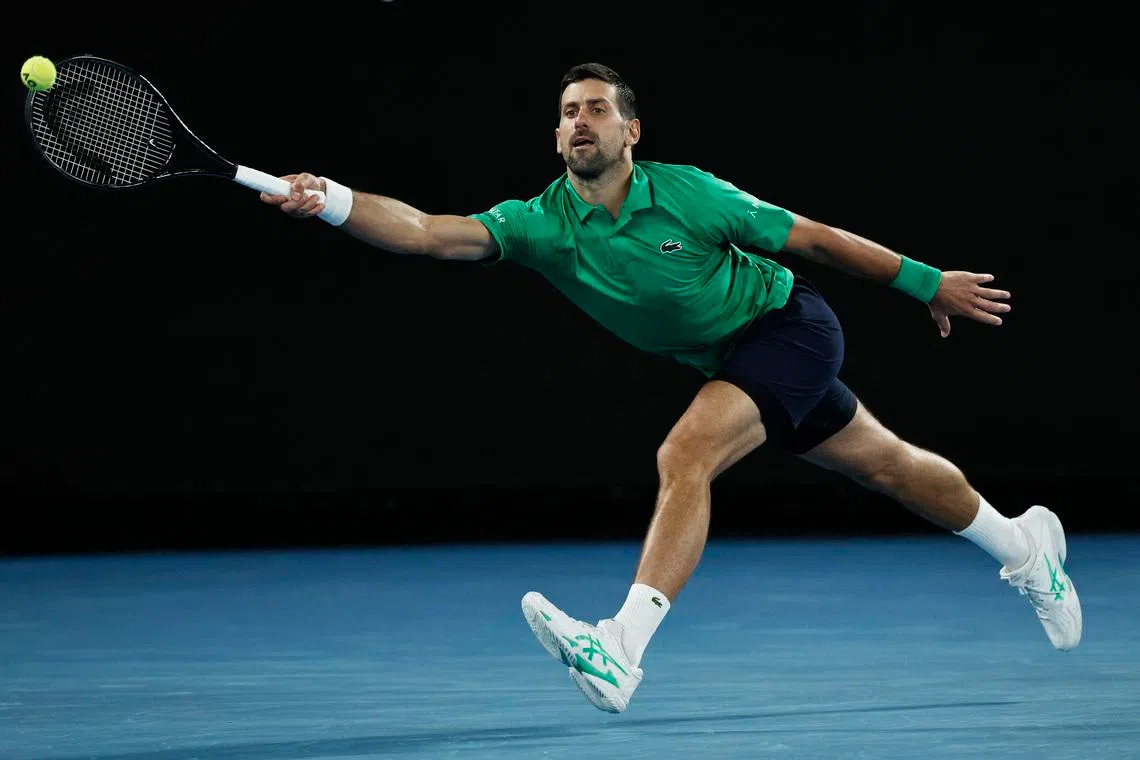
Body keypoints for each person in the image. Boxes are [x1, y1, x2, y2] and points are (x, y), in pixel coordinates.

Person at [261, 62, 1082, 714]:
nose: (578, 121)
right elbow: (427, 234)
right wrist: (329, 199)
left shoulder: (691, 191)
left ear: (631, 129)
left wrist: (925, 282)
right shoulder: (538, 223)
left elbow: (816, 238)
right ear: (556, 137)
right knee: (888, 466)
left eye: (595, 109)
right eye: (567, 113)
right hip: (730, 361)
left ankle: (621, 647)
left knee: (684, 452)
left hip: (789, 329)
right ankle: (1025, 549)